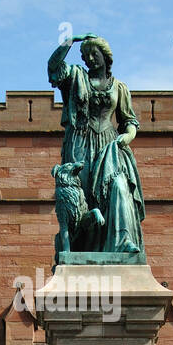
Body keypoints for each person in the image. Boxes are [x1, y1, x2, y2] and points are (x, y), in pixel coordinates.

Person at [47, 34, 145, 255]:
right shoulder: (75, 77)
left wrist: (128, 137)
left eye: (95, 53)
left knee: (118, 187)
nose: (90, 58)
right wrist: (69, 41)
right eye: (86, 55)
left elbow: (129, 121)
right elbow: (53, 67)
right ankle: (76, 250)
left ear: (106, 56)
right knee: (79, 198)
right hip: (79, 144)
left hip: (110, 147)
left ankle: (122, 240)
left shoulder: (119, 88)